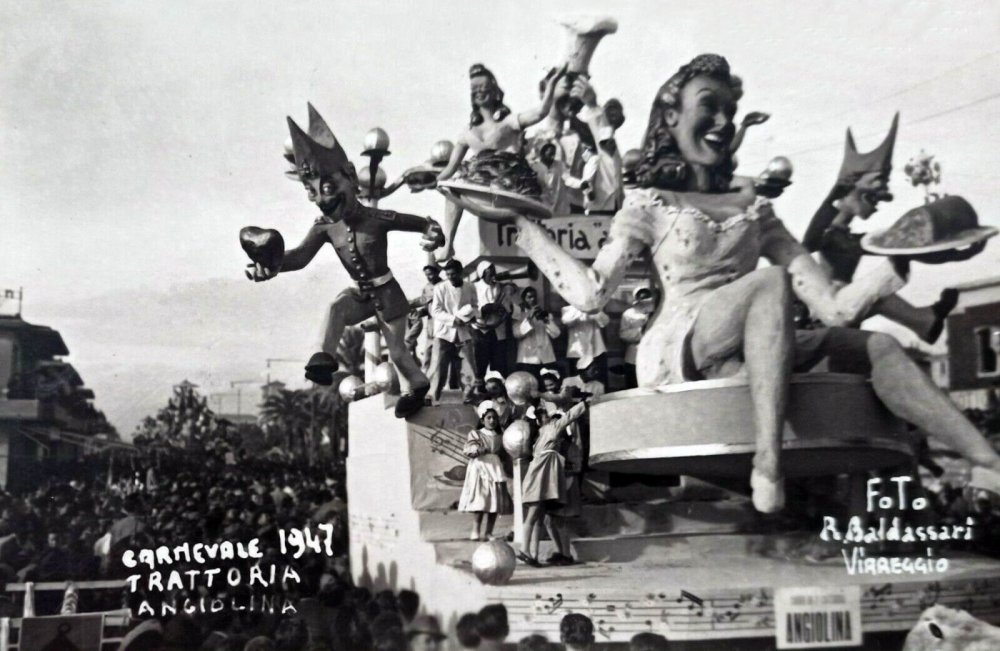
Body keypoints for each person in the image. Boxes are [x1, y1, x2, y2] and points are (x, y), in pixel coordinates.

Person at [512, 53, 1000, 512]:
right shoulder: (650, 202)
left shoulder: (755, 209)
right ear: (672, 117)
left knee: (878, 346)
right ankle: (768, 462)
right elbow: (594, 293)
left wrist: (906, 259)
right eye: (709, 107)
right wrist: (527, 231)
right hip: (681, 344)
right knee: (770, 283)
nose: (724, 123)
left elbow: (835, 309)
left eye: (730, 110)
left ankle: (987, 461)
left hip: (757, 337)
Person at [247, 104, 444, 419]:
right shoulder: (324, 226)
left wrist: (434, 231)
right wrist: (271, 265)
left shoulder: (378, 217)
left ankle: (418, 387)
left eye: (326, 188)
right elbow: (299, 257)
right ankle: (322, 360)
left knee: (398, 355)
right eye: (312, 193)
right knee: (336, 308)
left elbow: (422, 223)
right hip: (360, 295)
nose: (322, 199)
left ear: (351, 176)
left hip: (387, 294)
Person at [802, 113, 969, 342]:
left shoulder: (842, 234)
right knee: (886, 276)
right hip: (829, 310)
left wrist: (950, 253)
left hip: (848, 304)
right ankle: (924, 321)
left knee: (878, 293)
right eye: (872, 191)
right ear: (851, 188)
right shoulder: (832, 234)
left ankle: (925, 321)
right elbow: (810, 242)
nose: (877, 205)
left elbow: (898, 247)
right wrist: (951, 254)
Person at [434, 63, 567, 260]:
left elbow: (540, 112)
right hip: (480, 186)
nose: (480, 92)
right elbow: (449, 169)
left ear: (494, 90)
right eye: (475, 89)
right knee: (450, 187)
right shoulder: (466, 132)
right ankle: (448, 244)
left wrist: (552, 84)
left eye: (484, 87)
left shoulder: (509, 121)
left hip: (508, 184)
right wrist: (433, 181)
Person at [518, 401, 587, 566]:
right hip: (540, 476)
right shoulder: (552, 429)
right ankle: (524, 549)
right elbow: (569, 416)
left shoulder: (539, 436)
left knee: (539, 517)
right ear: (542, 418)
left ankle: (533, 554)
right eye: (546, 415)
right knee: (534, 515)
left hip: (540, 476)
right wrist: (583, 404)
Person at [459, 401, 512, 541]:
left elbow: (504, 453)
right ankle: (475, 530)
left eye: (494, 418)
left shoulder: (501, 436)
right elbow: (468, 450)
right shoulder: (476, 434)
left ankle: (489, 532)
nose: (492, 420)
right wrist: (479, 449)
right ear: (482, 420)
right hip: (480, 469)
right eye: (488, 417)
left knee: (494, 501)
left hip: (495, 469)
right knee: (480, 501)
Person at [431, 259, 481, 402]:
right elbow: (435, 311)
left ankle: (468, 396)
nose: (450, 277)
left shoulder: (470, 287)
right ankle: (434, 397)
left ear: (461, 273)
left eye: (453, 274)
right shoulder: (440, 288)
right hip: (444, 333)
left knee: (468, 365)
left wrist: (471, 316)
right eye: (448, 274)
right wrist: (453, 319)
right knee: (439, 368)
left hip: (464, 332)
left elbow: (475, 306)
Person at [472, 261, 518, 377]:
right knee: (481, 361)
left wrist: (503, 311)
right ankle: (481, 388)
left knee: (498, 362)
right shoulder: (475, 287)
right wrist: (484, 310)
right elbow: (472, 306)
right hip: (481, 329)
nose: (493, 271)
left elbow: (507, 307)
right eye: (489, 269)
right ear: (482, 272)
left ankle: (498, 388)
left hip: (498, 329)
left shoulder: (500, 287)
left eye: (493, 268)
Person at [513, 287, 561, 378]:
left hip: (546, 357)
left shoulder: (544, 314)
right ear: (524, 299)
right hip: (527, 359)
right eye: (529, 297)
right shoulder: (519, 316)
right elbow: (516, 334)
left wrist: (546, 321)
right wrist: (529, 318)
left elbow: (556, 334)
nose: (533, 299)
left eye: (534, 297)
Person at [560, 304, 610, 383]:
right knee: (578, 382)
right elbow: (566, 321)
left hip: (597, 351)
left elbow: (604, 322)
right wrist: (580, 307)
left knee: (600, 381)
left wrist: (594, 310)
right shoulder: (567, 309)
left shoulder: (596, 307)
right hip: (577, 353)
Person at [619, 287, 657, 388]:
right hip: (634, 356)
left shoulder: (657, 312)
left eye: (647, 295)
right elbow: (623, 334)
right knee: (633, 384)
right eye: (641, 296)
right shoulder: (629, 314)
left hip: (653, 355)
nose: (644, 298)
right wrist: (641, 330)